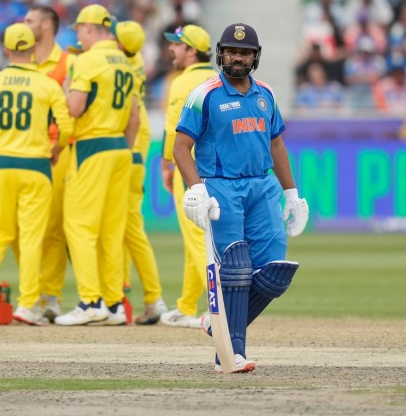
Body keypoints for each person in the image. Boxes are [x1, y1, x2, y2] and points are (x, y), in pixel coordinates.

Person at [173, 23, 308, 372]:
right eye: (233, 52)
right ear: (221, 54)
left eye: (245, 52)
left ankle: (215, 326)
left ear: (255, 57)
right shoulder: (204, 94)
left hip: (262, 188)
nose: (238, 58)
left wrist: (290, 192)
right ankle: (229, 355)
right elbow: (181, 147)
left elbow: (276, 144)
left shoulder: (266, 94)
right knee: (235, 270)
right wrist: (197, 188)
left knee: (275, 273)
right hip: (221, 186)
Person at [0, 23, 73, 326]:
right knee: (31, 237)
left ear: (7, 49)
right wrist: (56, 149)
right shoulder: (47, 85)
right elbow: (66, 128)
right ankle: (27, 305)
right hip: (36, 166)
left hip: (2, 164)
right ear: (32, 48)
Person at [56, 4, 139, 326]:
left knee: (79, 227)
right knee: (111, 231)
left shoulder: (88, 60)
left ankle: (90, 301)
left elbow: (75, 108)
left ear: (90, 29)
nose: (78, 34)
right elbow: (133, 116)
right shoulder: (125, 62)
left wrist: (65, 94)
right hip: (120, 148)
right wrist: (124, 150)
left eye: (79, 29)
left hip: (92, 147)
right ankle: (115, 303)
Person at [159, 24, 219, 329]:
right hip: (217, 169)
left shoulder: (182, 83)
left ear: (191, 50)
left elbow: (172, 130)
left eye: (177, 45)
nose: (172, 49)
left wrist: (166, 165)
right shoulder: (218, 81)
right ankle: (185, 306)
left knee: (197, 237)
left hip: (189, 168)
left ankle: (218, 306)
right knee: (193, 236)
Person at [114, 20, 168, 325]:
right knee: (125, 230)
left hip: (126, 147)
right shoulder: (132, 62)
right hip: (137, 143)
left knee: (128, 230)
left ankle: (144, 297)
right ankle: (128, 296)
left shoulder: (118, 66)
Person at [24, 5, 73, 321]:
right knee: (23, 230)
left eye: (29, 21)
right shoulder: (20, 59)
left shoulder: (67, 62)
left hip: (55, 148)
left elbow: (69, 106)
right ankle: (31, 291)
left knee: (53, 227)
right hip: (23, 150)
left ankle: (50, 296)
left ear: (46, 24)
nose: (24, 25)